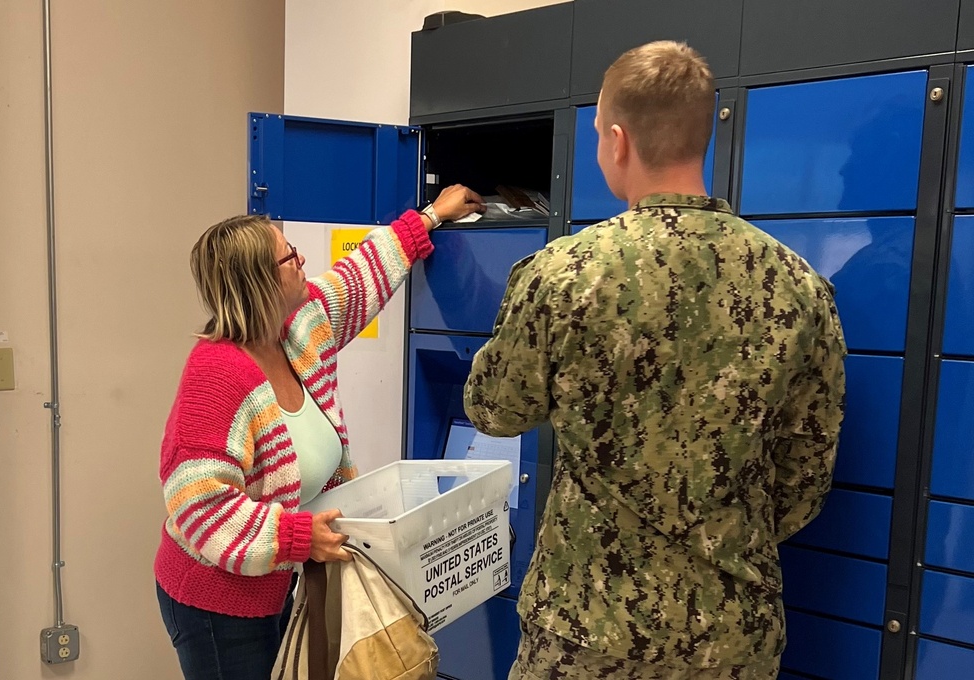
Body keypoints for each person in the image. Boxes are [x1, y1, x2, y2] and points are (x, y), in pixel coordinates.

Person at [463, 41, 847, 680]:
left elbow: (493, 410)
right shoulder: (797, 284)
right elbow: (804, 478)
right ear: (703, 135)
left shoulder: (564, 274)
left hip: (587, 632)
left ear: (617, 140)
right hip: (733, 635)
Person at [154, 185, 485, 680]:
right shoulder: (216, 375)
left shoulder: (298, 325)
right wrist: (297, 539)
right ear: (260, 284)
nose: (301, 259)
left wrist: (431, 216)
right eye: (289, 257)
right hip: (216, 606)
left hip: (282, 581)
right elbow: (199, 507)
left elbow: (358, 279)